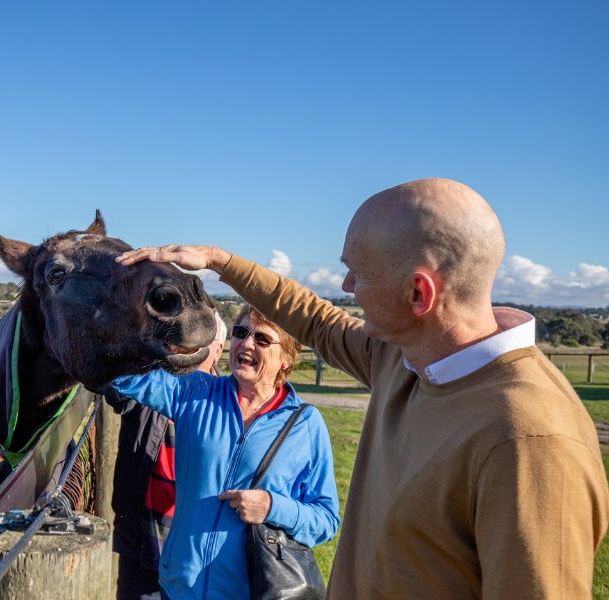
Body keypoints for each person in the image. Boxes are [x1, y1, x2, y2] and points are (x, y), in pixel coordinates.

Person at [115, 178, 609, 599]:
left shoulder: (531, 441)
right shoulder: (408, 358)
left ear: (419, 293)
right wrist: (221, 261)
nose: (346, 286)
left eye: (359, 271)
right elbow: (313, 317)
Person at [108, 306, 340, 600]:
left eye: (262, 339)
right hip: (178, 588)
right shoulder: (196, 391)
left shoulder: (306, 424)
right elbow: (125, 376)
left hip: (248, 593)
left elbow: (326, 519)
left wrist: (272, 506)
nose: (246, 343)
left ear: (286, 359)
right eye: (240, 332)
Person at [108, 310, 227, 600]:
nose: (190, 346)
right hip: (143, 540)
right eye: (184, 337)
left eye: (201, 338)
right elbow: (113, 381)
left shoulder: (230, 407)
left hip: (197, 554)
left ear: (219, 348)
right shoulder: (153, 384)